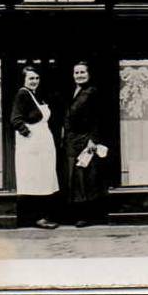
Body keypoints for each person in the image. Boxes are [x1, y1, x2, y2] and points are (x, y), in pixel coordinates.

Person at [10, 65, 59, 229]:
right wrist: (28, 134)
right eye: (31, 78)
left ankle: (42, 216)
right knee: (34, 179)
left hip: (43, 142)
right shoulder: (22, 94)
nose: (34, 81)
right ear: (24, 80)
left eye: (37, 78)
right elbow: (15, 119)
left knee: (44, 178)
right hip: (32, 145)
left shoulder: (35, 95)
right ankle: (36, 218)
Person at [61, 61, 108, 227]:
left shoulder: (92, 92)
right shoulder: (75, 91)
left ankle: (86, 215)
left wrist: (93, 139)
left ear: (89, 74)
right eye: (76, 72)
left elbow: (97, 118)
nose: (79, 75)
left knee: (84, 177)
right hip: (72, 140)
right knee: (74, 176)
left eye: (82, 72)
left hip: (85, 139)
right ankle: (75, 213)